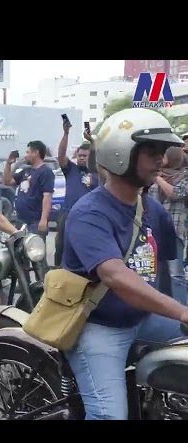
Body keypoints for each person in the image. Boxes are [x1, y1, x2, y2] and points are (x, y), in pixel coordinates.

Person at [62, 108, 186, 420]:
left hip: (144, 319)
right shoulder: (89, 213)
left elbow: (170, 272)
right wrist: (183, 312)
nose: (161, 159)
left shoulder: (152, 209)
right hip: (100, 325)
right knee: (109, 415)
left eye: (162, 151)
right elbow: (115, 276)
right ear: (120, 153)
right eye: (151, 151)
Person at [54, 118, 100, 266]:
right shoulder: (71, 170)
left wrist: (91, 141)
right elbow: (61, 156)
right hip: (67, 215)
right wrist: (66, 133)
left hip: (88, 217)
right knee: (61, 247)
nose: (81, 158)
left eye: (85, 156)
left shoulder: (97, 173)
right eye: (79, 155)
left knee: (83, 249)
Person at [147, 146, 188, 293]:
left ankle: (181, 310)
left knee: (175, 273)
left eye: (164, 155)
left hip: (175, 229)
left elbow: (174, 193)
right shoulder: (156, 176)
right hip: (152, 229)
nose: (160, 158)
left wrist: (156, 177)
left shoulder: (185, 176)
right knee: (154, 270)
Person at [3, 140, 54, 239]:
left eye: (27, 152)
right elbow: (8, 181)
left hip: (34, 222)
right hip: (20, 221)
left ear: (36, 153)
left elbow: (47, 197)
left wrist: (43, 220)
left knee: (34, 251)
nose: (25, 155)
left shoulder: (46, 172)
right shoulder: (26, 171)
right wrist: (8, 164)